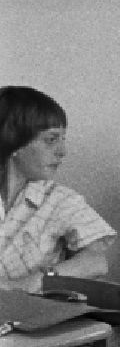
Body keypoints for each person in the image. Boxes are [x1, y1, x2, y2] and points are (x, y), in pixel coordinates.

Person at [0, 85, 114, 292]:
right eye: (51, 140)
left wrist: (38, 280)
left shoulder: (59, 199)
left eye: (63, 139)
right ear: (14, 141)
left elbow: (96, 261)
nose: (62, 152)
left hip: (33, 315)